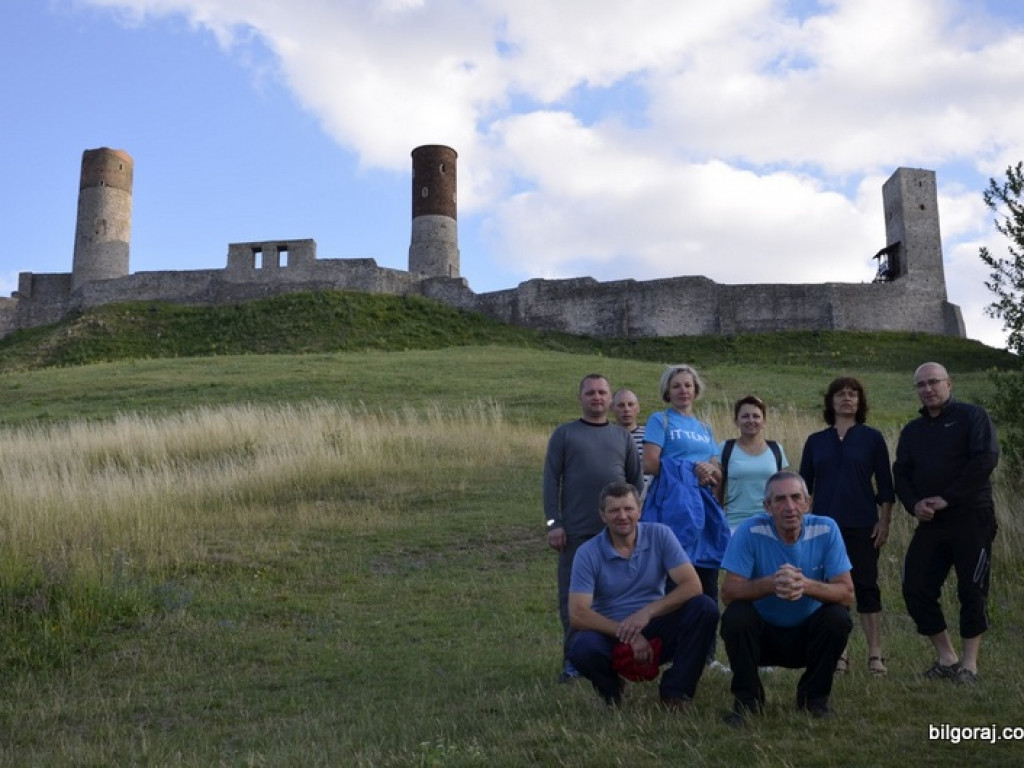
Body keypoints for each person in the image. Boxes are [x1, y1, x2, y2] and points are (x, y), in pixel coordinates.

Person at [568, 482, 719, 708]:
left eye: (628, 509)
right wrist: (627, 633)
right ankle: (611, 691)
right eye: (614, 510)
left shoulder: (660, 535)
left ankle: (675, 692)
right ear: (602, 515)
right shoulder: (587, 553)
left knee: (705, 608)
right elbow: (578, 614)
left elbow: (692, 586)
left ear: (640, 510)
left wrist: (646, 614)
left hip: (654, 623)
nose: (622, 516)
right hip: (610, 630)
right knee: (582, 648)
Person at [719, 471, 853, 724]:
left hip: (808, 636)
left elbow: (846, 593)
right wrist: (772, 583)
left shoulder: (827, 528)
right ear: (767, 507)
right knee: (736, 616)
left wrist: (804, 584)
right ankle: (747, 703)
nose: (789, 507)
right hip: (763, 636)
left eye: (796, 497)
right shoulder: (750, 530)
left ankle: (814, 700)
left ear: (808, 503)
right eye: (779, 500)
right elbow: (728, 592)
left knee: (838, 617)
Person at [893, 362, 999, 684]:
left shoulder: (972, 417)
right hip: (931, 521)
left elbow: (985, 460)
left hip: (972, 517)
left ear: (949, 384)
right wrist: (914, 505)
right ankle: (947, 657)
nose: (927, 389)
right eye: (921, 385)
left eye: (933, 382)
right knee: (915, 587)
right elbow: (901, 473)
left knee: (972, 590)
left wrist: (949, 497)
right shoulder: (913, 431)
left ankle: (969, 665)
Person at [543, 373, 645, 682]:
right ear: (581, 398)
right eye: (591, 393)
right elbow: (550, 481)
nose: (597, 398)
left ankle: (621, 656)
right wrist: (553, 523)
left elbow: (635, 482)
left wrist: (633, 522)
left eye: (602, 393)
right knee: (573, 599)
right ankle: (574, 662)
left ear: (610, 399)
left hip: (619, 532)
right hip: (577, 532)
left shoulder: (622, 437)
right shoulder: (565, 434)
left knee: (619, 595)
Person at [799, 377, 894, 676]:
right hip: (824, 528)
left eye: (853, 394)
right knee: (830, 588)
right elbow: (804, 487)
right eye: (840, 394)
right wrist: (803, 525)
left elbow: (886, 486)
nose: (847, 399)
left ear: (860, 401)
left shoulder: (872, 438)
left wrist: (884, 522)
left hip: (863, 524)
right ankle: (839, 654)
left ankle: (875, 655)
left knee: (866, 586)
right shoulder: (816, 441)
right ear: (831, 402)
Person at [641, 364, 729, 668]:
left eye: (688, 385)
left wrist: (710, 470)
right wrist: (692, 469)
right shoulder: (660, 420)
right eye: (676, 385)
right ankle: (671, 651)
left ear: (696, 390)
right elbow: (650, 463)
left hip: (703, 507)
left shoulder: (705, 428)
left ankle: (707, 656)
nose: (683, 390)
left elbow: (717, 469)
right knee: (674, 577)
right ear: (668, 390)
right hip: (673, 507)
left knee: (707, 577)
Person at [717, 395, 788, 533]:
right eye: (745, 416)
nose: (751, 420)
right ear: (736, 421)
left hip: (770, 524)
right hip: (734, 524)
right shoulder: (725, 448)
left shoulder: (776, 449)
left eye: (756, 416)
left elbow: (783, 488)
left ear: (764, 421)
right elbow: (717, 490)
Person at [612, 388, 652, 494]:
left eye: (630, 404)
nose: (626, 409)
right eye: (621, 405)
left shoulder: (650, 435)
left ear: (638, 408)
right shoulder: (606, 436)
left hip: (648, 496)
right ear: (612, 408)